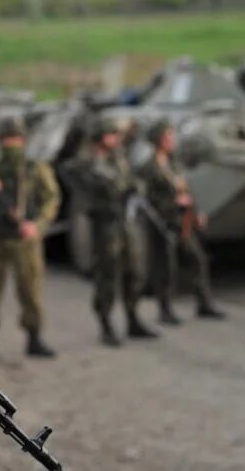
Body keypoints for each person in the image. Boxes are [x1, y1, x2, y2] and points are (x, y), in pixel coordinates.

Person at [0, 116, 60, 358]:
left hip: (25, 239)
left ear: (24, 141)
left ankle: (34, 337)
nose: (11, 145)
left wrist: (38, 225)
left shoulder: (35, 168)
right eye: (6, 140)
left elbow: (52, 198)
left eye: (15, 139)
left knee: (31, 291)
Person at [76, 115, 159, 346]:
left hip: (124, 220)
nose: (115, 139)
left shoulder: (117, 156)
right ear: (101, 137)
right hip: (105, 224)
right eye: (111, 135)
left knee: (134, 271)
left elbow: (131, 179)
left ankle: (132, 317)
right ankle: (106, 323)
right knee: (107, 274)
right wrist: (125, 186)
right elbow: (107, 185)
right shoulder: (89, 160)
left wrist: (136, 186)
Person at [139, 119, 226, 324]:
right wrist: (172, 202)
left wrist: (196, 213)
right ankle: (165, 309)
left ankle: (204, 303)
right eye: (167, 136)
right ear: (157, 140)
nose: (171, 139)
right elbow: (146, 199)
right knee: (165, 267)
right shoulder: (149, 168)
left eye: (171, 135)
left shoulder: (174, 163)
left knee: (197, 259)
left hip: (183, 222)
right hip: (162, 223)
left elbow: (186, 190)